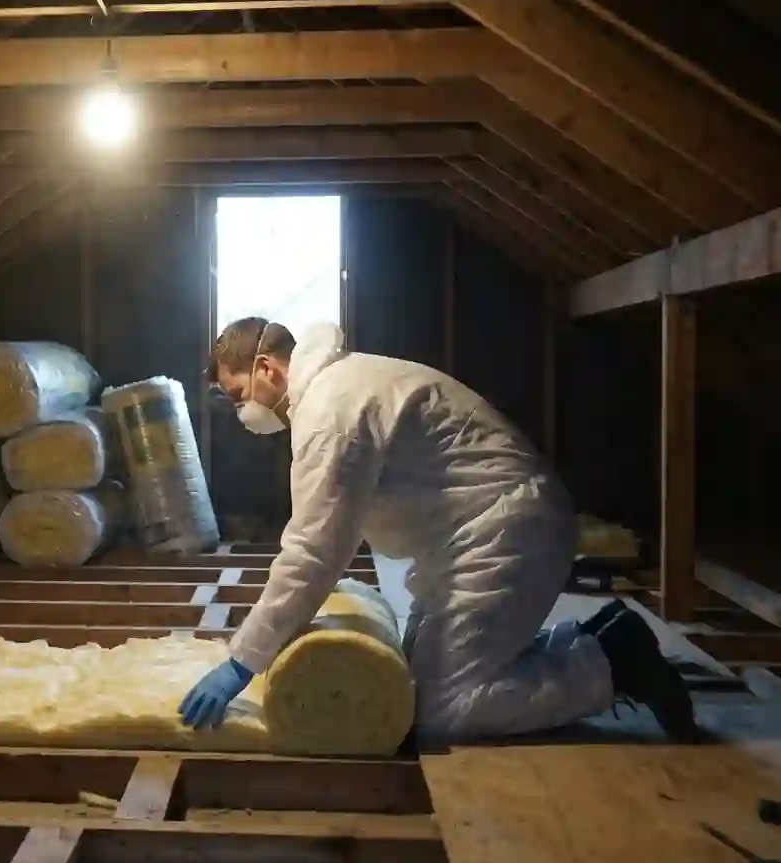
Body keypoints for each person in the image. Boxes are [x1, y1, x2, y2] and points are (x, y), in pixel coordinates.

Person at [177, 317, 696, 744]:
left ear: (267, 368)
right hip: (480, 535)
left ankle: (614, 664)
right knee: (409, 681)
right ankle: (599, 636)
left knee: (440, 711)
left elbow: (315, 551)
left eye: (237, 393)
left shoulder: (329, 414)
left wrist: (243, 662)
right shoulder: (345, 384)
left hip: (505, 531)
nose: (242, 409)